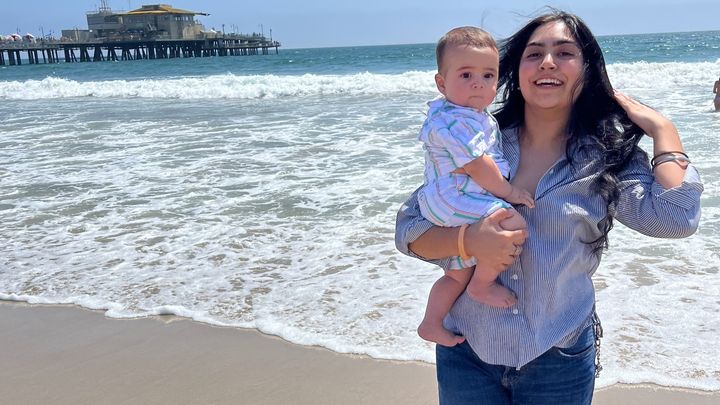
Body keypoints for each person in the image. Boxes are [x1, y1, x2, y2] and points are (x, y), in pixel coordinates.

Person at [395, 10, 702, 405]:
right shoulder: (479, 141)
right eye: (534, 53)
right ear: (516, 71)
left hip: (559, 353)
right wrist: (468, 241)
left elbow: (675, 219)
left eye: (565, 53)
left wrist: (663, 130)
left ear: (587, 69)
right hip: (466, 348)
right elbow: (409, 232)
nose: (548, 62)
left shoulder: (605, 156)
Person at [415, 27, 534, 348]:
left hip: (448, 198)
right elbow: (477, 166)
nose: (478, 83)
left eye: (488, 75)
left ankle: (431, 323)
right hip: (454, 196)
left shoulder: (461, 114)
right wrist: (509, 193)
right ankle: (482, 285)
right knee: (512, 223)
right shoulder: (458, 120)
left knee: (456, 274)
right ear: (442, 83)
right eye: (466, 75)